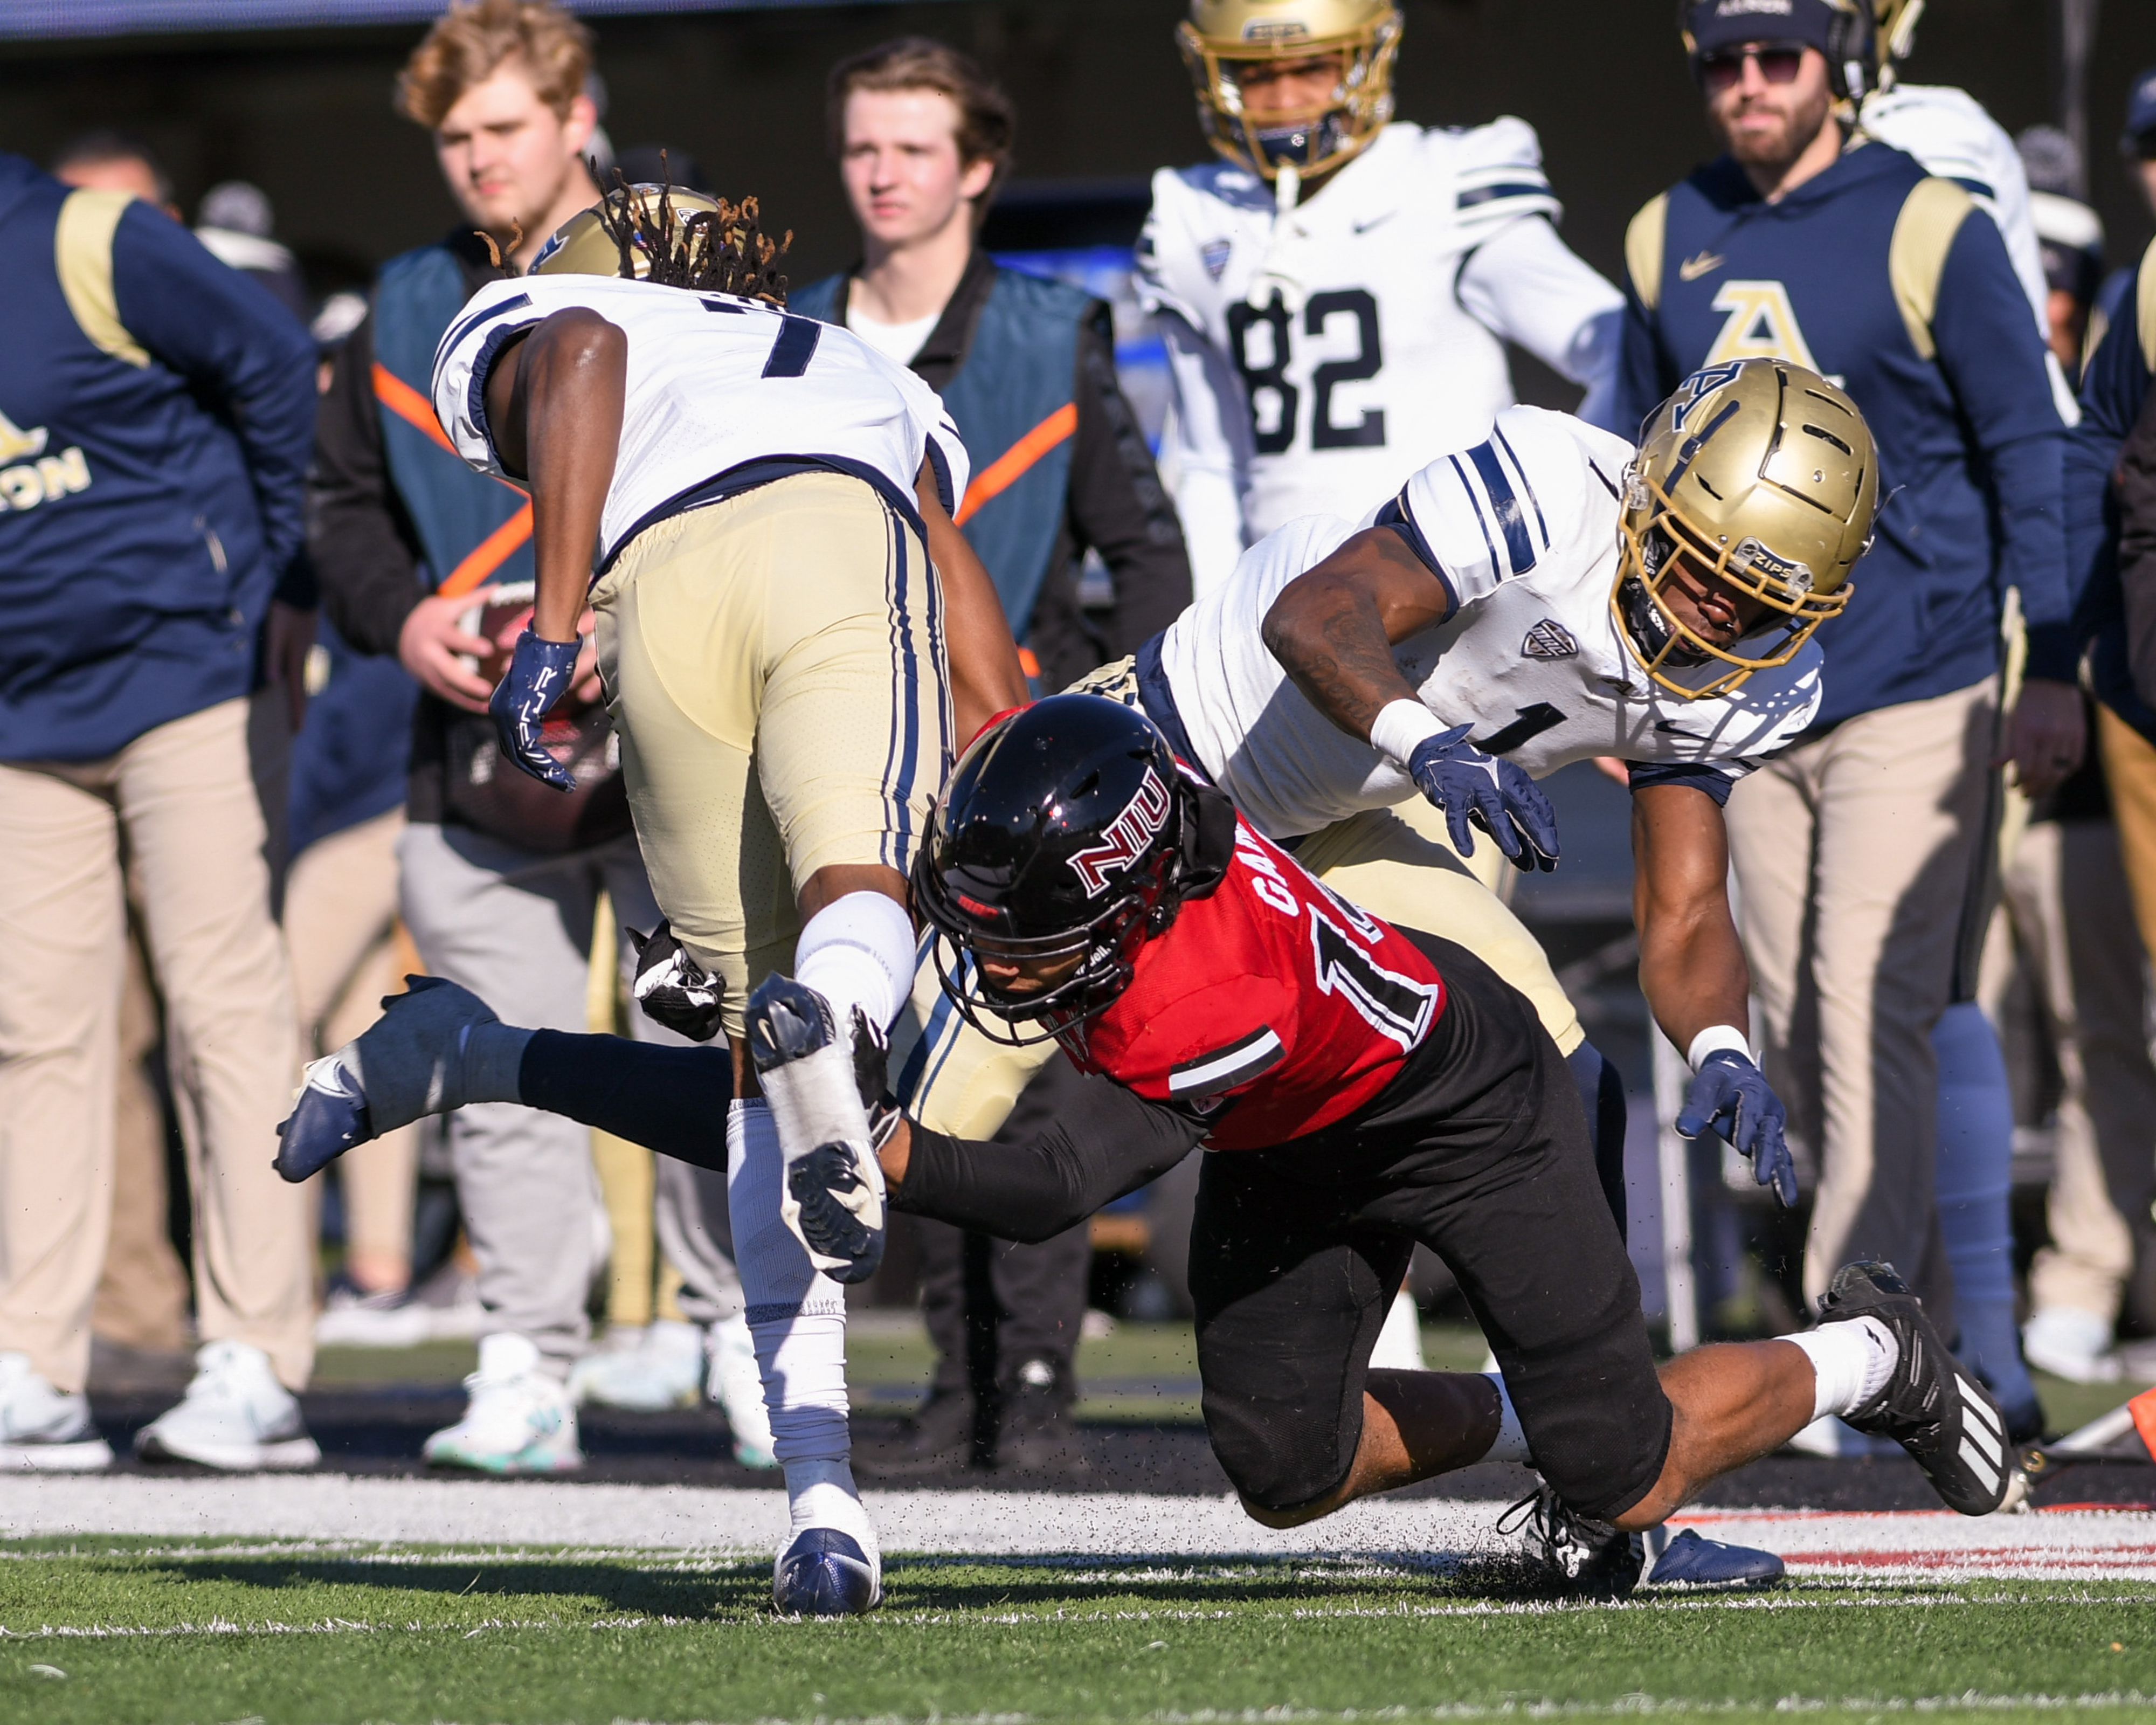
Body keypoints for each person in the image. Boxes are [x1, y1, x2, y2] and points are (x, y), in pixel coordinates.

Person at [280, 696, 2026, 1619]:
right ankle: (1553, 1411)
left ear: (1115, 907)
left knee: (1618, 1466)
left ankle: (1872, 1350)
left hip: (1455, 1107)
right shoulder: (1114, 856)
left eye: (1027, 944)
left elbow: (1038, 1189)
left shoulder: (1205, 989)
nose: (1000, 965)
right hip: (1293, 1124)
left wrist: (868, 1133)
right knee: (1283, 1466)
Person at [347, 175, 1020, 1605]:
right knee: (860, 879)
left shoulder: (548, 310)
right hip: (840, 534)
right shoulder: (853, 357)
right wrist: (1008, 736)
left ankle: (822, 1505)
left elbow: (584, 348)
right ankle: (841, 1021)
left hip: (667, 588)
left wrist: (553, 616)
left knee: (741, 1070)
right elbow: (944, 562)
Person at [1616, 0, 2078, 1390]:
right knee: (1779, 1021)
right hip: (1737, 697)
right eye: (1722, 62)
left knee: (1863, 1002)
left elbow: (2029, 450)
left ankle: (1844, 1348)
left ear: (1837, 62)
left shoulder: (1932, 220)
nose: (1748, 86)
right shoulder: (1660, 231)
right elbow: (1630, 475)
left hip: (1914, 680)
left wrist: (2049, 664)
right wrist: (1622, 692)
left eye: (1778, 58)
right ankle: (1923, 1357)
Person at [310, 0, 716, 1476]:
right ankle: (524, 1365)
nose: (478, 160)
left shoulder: (686, 268)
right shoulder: (395, 312)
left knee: (714, 1050)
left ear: (576, 116)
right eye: (454, 137)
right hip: (469, 755)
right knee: (488, 1065)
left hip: (670, 721)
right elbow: (338, 513)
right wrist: (405, 618)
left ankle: (739, 1338)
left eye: (503, 128)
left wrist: (627, 619)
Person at [789, 36, 1195, 1474]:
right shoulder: (794, 337)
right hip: (842, 756)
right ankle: (944, 1388)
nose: (883, 172)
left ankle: (1030, 1392)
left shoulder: (1049, 334)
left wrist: (1136, 740)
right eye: (861, 147)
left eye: (912, 147)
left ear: (977, 167)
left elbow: (1144, 551)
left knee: (1020, 1072)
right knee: (883, 1073)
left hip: (1018, 768)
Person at [0, 144, 320, 1469]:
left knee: (223, 1016)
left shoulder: (93, 237)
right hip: (19, 724)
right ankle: (34, 1367)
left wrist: (253, 592)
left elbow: (278, 370)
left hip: (181, 683)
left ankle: (258, 1363)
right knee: (32, 1041)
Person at [1139, 0, 1625, 597]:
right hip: (1277, 596)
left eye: (1312, 67)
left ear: (1367, 58)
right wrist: (1211, 615)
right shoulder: (1192, 212)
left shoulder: (1446, 178)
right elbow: (1208, 462)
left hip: (1453, 592)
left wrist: (1553, 508)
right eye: (1256, 73)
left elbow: (1616, 351)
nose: (1284, 97)